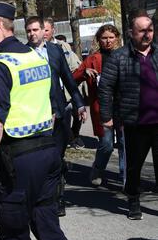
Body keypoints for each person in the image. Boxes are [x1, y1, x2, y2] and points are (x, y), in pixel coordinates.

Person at [0, 2, 82, 240]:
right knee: (47, 224)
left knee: (13, 232)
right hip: (48, 152)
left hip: (17, 161)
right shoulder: (36, 58)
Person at [99, 9, 158, 220]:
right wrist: (106, 117)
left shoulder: (157, 53)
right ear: (131, 32)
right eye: (142, 30)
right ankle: (133, 199)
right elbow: (105, 87)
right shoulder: (119, 57)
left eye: (150, 30)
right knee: (134, 165)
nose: (147, 34)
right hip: (135, 122)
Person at [25, 16, 86, 217]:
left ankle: (58, 199)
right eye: (29, 30)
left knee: (57, 159)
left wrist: (78, 104)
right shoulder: (22, 54)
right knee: (40, 160)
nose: (32, 34)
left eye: (36, 30)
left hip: (58, 113)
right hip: (35, 116)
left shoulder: (55, 51)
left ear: (44, 31)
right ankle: (42, 197)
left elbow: (68, 80)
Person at [73, 24, 124, 186]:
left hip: (123, 107)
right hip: (102, 108)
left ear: (117, 38)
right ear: (98, 40)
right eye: (104, 38)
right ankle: (98, 168)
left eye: (111, 37)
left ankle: (126, 178)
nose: (108, 41)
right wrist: (84, 72)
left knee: (124, 143)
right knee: (107, 145)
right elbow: (73, 78)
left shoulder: (124, 55)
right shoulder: (92, 59)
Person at [43, 17, 86, 148]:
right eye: (41, 29)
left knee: (65, 123)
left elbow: (72, 68)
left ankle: (72, 139)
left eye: (46, 30)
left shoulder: (63, 47)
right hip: (48, 95)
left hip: (65, 93)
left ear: (53, 30)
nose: (43, 33)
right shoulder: (32, 50)